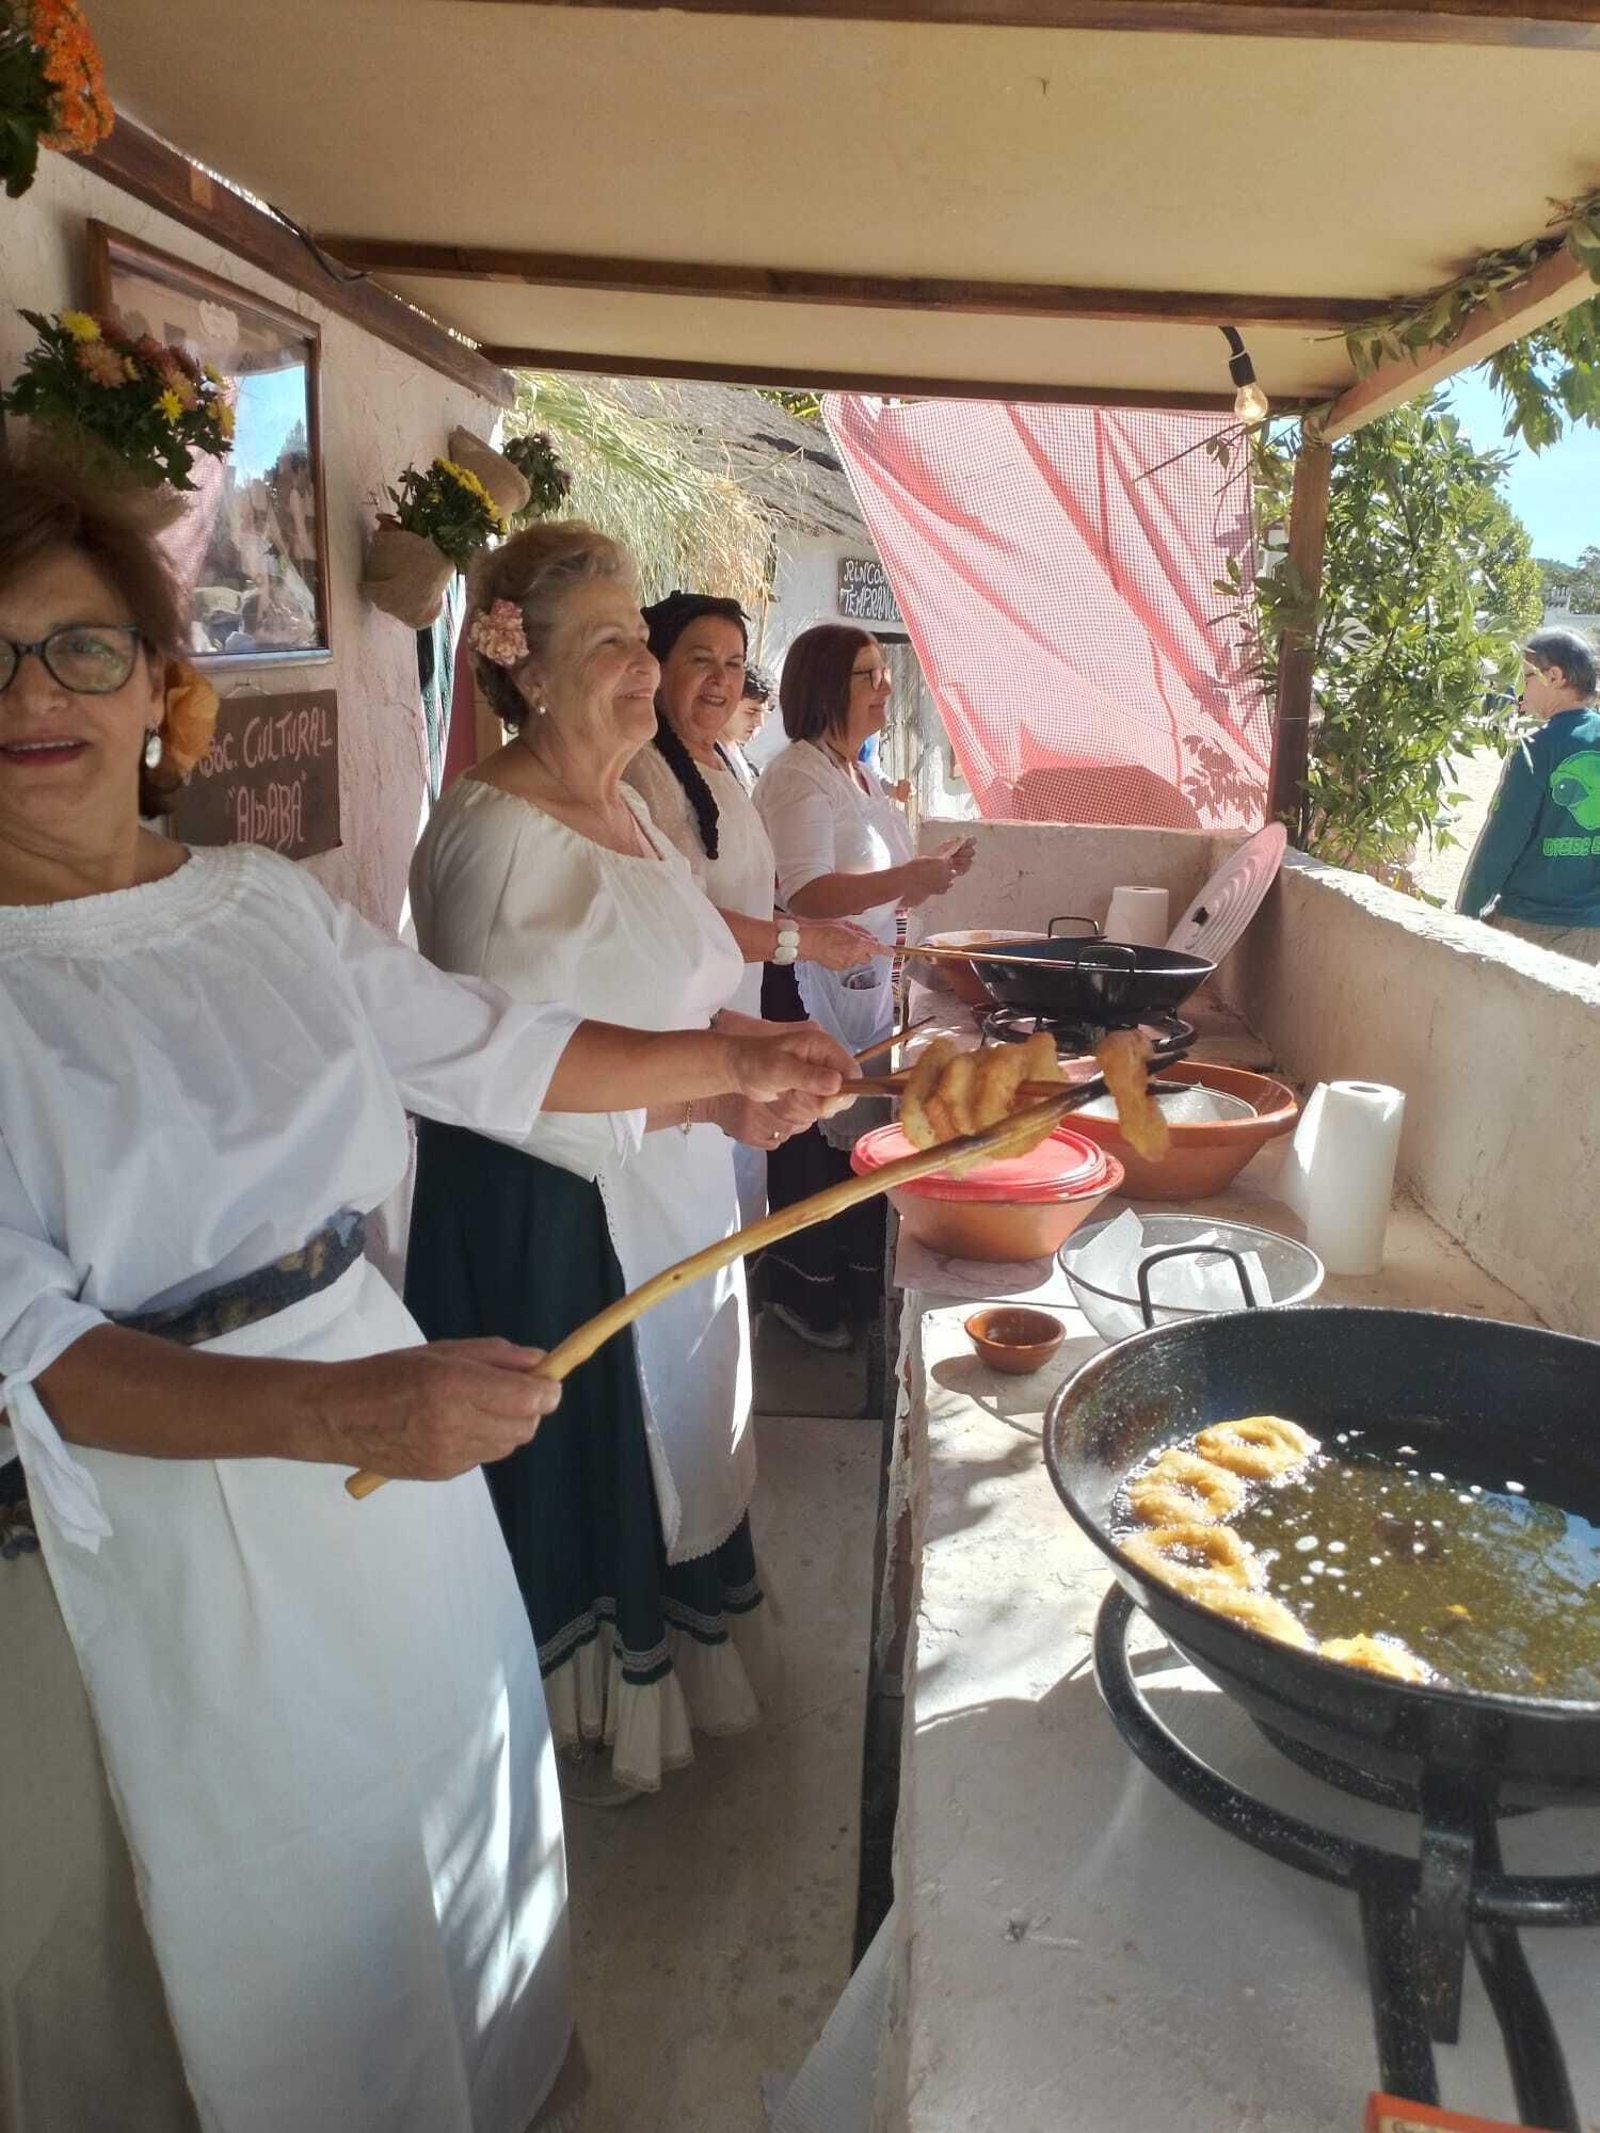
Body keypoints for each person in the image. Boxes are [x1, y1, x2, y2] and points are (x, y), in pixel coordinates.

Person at [0, 466, 853, 2133]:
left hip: (389, 1459)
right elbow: (35, 1348)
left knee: (444, 1812)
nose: (34, 698)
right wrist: (348, 1411)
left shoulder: (251, 901)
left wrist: (724, 1065)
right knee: (253, 1913)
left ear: (159, 683)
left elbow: (481, 1044)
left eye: (78, 650)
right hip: (166, 1505)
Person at [406, 530, 838, 1801]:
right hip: (555, 1226)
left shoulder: (634, 810)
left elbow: (682, 989)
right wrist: (717, 1092)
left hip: (668, 1196)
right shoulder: (489, 835)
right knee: (608, 1468)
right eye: (607, 645)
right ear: (526, 670)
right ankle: (581, 1715)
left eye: (636, 639)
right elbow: (503, 1081)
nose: (642, 667)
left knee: (688, 1444)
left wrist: (754, 1063)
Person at [755, 624, 973, 1347]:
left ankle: (851, 1289)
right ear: (826, 687)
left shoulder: (859, 773)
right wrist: (908, 876)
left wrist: (925, 879)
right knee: (810, 1141)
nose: (885, 687)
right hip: (806, 981)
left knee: (853, 1141)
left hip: (862, 981)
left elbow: (874, 885)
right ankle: (804, 1298)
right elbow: (807, 892)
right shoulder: (798, 776)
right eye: (868, 675)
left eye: (883, 672)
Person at [623, 595, 873, 1225]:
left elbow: (744, 890)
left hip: (737, 1017)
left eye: (734, 663)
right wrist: (801, 942)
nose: (721, 679)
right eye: (700, 660)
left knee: (732, 1198)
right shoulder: (644, 770)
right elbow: (679, 920)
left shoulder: (722, 758)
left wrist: (801, 933)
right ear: (657, 666)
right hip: (678, 1041)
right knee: (682, 1207)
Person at [1456, 627, 1600, 965]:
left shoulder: (1536, 747)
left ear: (1554, 677)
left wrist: (1465, 915)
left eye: (1524, 677)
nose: (1520, 690)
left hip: (1530, 924)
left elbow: (1501, 843)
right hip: (1591, 929)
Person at [718, 659, 771, 792]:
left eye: (763, 713)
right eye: (751, 712)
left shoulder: (738, 752)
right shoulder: (706, 757)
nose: (760, 722)